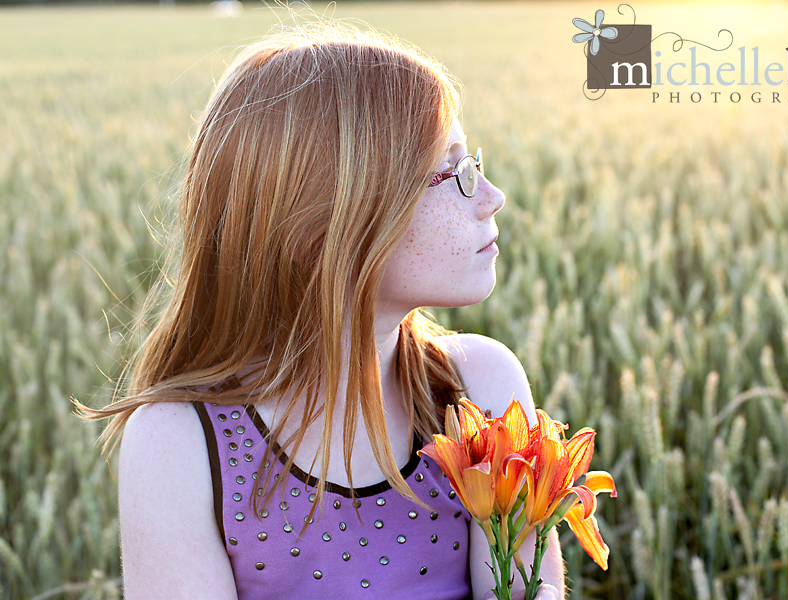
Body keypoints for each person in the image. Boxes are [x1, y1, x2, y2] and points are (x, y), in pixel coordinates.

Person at [79, 20, 564, 600]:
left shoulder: (479, 387)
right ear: (335, 217)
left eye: (475, 164)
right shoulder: (181, 443)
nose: (491, 196)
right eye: (454, 173)